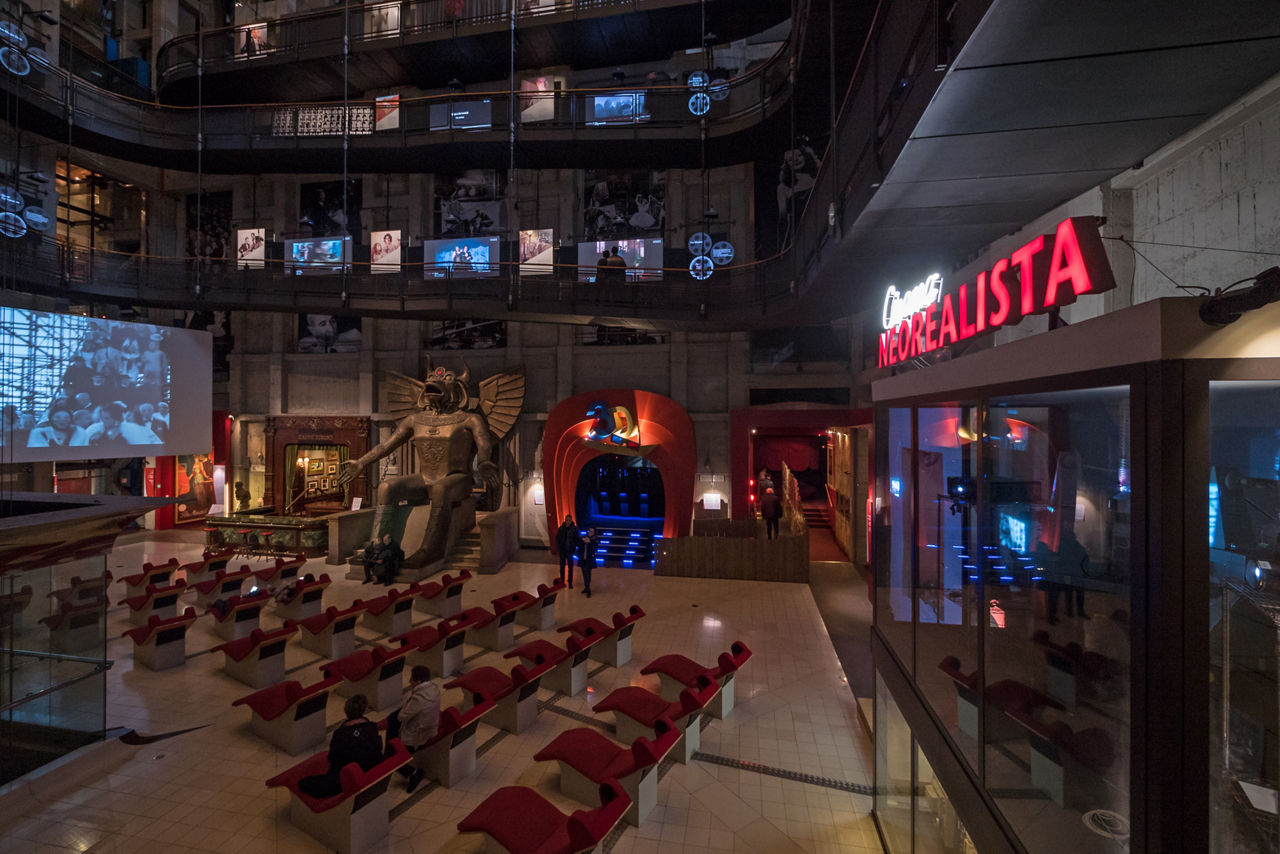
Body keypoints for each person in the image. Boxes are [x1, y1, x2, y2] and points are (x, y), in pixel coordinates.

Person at [298, 695, 383, 798]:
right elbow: (378, 749)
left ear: (346, 712)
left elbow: (332, 758)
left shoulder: (340, 733)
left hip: (346, 777)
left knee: (303, 783)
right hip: (370, 768)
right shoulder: (372, 727)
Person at [385, 665, 440, 793]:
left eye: (412, 680)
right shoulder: (434, 689)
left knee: (390, 757)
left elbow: (402, 717)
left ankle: (413, 772)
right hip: (431, 727)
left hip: (416, 735)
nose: (409, 682)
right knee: (392, 718)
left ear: (418, 681)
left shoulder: (418, 698)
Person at [555, 514, 578, 588]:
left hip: (570, 551)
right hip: (562, 551)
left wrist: (573, 548)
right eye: (567, 520)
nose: (568, 521)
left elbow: (576, 539)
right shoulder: (561, 528)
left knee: (570, 567)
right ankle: (562, 582)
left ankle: (570, 582)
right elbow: (557, 539)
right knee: (562, 567)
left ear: (571, 521)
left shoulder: (574, 529)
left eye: (569, 520)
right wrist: (559, 549)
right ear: (565, 520)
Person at [577, 527, 599, 598]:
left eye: (592, 531)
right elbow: (578, 545)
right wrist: (583, 542)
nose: (590, 532)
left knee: (588, 574)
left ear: (594, 533)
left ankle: (588, 588)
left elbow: (594, 548)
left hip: (589, 559)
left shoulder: (595, 540)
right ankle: (586, 587)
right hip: (583, 559)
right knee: (584, 574)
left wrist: (589, 543)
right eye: (589, 531)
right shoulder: (583, 537)